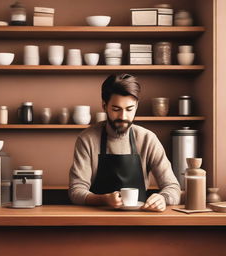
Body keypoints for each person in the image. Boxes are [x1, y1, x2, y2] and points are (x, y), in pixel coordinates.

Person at [69, 74, 181, 211]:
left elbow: (173, 188)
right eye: (116, 109)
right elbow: (76, 191)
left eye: (129, 109)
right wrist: (103, 199)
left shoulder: (147, 139)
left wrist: (162, 198)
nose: (123, 117)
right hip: (97, 219)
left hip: (140, 221)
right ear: (104, 106)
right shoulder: (87, 139)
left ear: (137, 106)